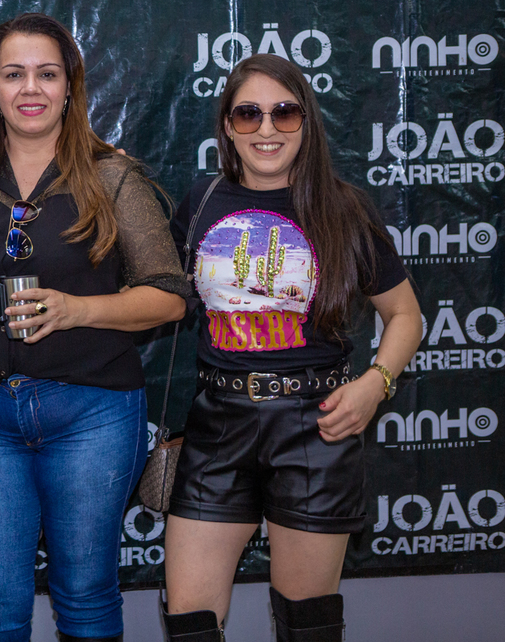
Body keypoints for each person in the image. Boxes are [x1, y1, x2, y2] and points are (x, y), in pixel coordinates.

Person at [0, 13, 192, 642]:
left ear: (70, 86)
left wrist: (78, 309)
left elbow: (169, 298)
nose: (30, 88)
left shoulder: (112, 176)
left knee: (84, 591)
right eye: (13, 74)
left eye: (47, 74)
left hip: (92, 412)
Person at [162, 54, 424, 641]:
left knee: (308, 625)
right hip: (218, 423)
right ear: (227, 126)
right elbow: (159, 297)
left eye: (284, 112)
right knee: (190, 624)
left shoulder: (345, 208)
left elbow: (406, 315)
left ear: (306, 122)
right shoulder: (202, 201)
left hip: (317, 426)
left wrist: (376, 383)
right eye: (248, 114)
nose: (267, 128)